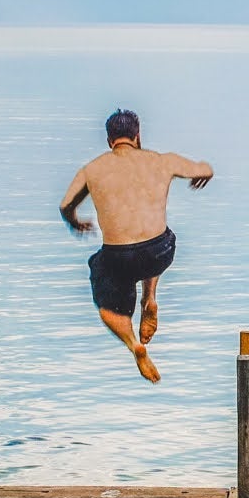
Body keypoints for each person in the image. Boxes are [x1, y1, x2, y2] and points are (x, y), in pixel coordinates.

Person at [59, 109, 213, 382]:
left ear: (109, 141)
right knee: (161, 238)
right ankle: (149, 298)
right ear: (137, 136)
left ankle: (135, 346)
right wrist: (204, 172)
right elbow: (203, 169)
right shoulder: (162, 161)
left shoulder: (92, 169)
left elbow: (65, 205)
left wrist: (75, 223)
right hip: (159, 253)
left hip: (117, 258)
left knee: (107, 305)